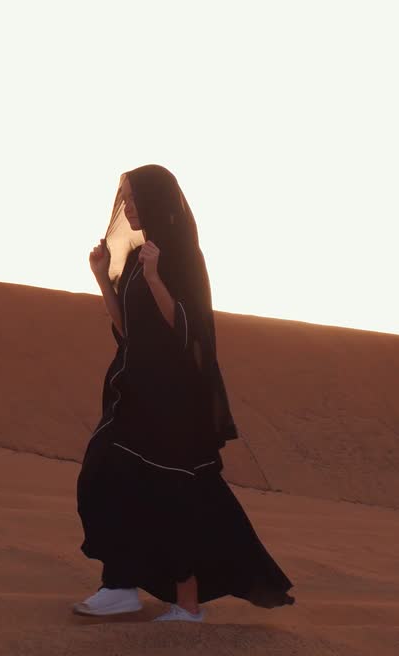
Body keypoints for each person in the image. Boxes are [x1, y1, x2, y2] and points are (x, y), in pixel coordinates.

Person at [74, 164, 295, 623]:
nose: (126, 208)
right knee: (107, 475)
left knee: (176, 494)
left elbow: (188, 332)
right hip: (134, 392)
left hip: (174, 401)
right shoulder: (137, 258)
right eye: (124, 199)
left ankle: (186, 604)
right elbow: (128, 330)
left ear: (156, 201)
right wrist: (101, 277)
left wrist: (156, 277)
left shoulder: (178, 258)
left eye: (134, 199)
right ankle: (119, 585)